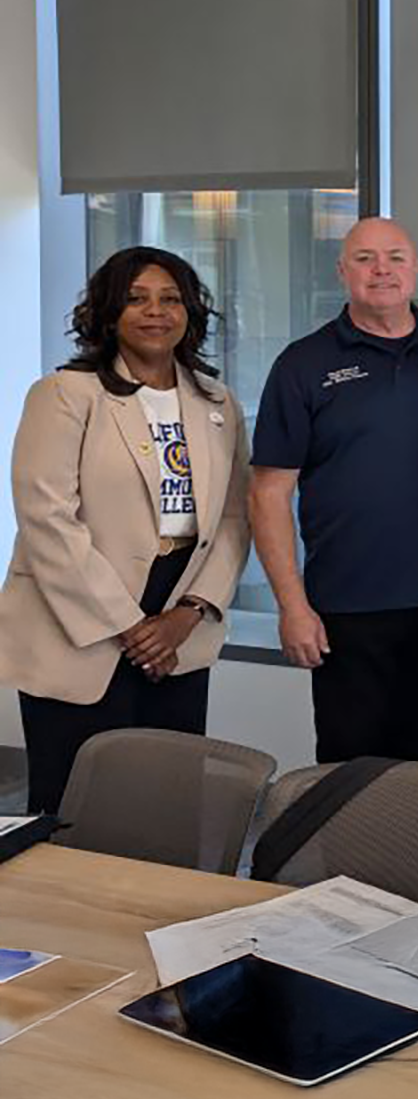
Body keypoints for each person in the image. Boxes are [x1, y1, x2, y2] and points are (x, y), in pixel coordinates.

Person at [0, 248, 251, 813]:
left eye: (170, 298)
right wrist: (132, 625)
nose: (154, 311)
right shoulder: (65, 394)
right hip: (83, 615)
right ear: (109, 314)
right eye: (136, 299)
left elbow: (235, 518)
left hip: (179, 614)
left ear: (190, 311)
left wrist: (189, 612)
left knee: (165, 799)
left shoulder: (217, 402)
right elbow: (47, 519)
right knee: (75, 803)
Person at [248, 217, 418, 764]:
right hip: (344, 606)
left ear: (416, 268)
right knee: (347, 764)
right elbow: (267, 494)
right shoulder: (303, 365)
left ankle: (410, 855)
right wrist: (293, 607)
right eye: (364, 258)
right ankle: (348, 857)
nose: (381, 269)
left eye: (395, 257)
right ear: (342, 272)